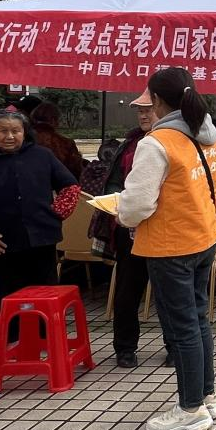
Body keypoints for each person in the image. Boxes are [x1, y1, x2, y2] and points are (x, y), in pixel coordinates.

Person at [117, 68, 216, 430]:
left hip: (170, 247)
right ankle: (207, 395)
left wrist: (121, 213)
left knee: (182, 329)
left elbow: (137, 205)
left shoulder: (157, 142)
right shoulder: (207, 134)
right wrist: (215, 228)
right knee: (197, 321)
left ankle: (191, 408)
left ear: (158, 101)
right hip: (204, 238)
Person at [0, 111, 81, 337]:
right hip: (2, 243)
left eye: (15, 131)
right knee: (9, 296)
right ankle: (12, 342)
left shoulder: (43, 155)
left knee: (45, 294)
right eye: (3, 131)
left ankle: (47, 338)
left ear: (25, 133)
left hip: (42, 240)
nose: (9, 136)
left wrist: (56, 214)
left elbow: (70, 187)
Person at [89, 90, 155, 368]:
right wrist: (119, 202)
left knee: (170, 294)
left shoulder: (176, 141)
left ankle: (175, 346)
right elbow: (114, 181)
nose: (143, 115)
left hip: (166, 230)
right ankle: (125, 348)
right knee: (128, 290)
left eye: (148, 109)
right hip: (129, 230)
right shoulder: (130, 144)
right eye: (140, 110)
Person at [29, 102, 85, 181]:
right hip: (57, 185)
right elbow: (76, 171)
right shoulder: (66, 143)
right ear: (53, 120)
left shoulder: (23, 139)